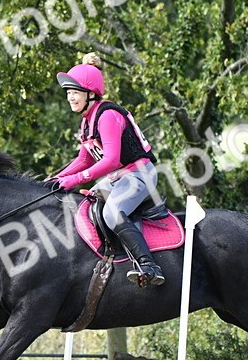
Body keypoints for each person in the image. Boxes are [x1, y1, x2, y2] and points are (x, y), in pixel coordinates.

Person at [49, 53, 165, 287]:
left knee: (112, 213)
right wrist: (55, 179)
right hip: (119, 178)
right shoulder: (87, 121)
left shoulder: (108, 116)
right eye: (68, 93)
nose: (70, 97)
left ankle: (148, 265)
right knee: (87, 204)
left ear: (90, 94)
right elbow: (84, 160)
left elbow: (111, 160)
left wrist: (74, 180)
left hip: (139, 174)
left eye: (74, 92)